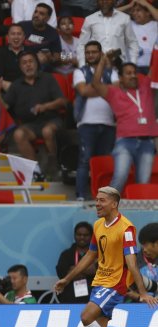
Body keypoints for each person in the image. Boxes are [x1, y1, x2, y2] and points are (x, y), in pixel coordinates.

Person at [55, 186, 158, 327]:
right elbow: (90, 255)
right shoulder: (98, 225)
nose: (97, 204)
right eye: (96, 200)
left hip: (116, 283)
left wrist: (142, 293)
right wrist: (67, 279)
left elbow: (131, 263)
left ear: (114, 203)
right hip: (100, 281)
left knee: (86, 316)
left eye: (102, 200)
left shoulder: (126, 229)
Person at [91, 52, 157, 193]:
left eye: (134, 73)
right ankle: (107, 205)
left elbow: (155, 66)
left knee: (143, 183)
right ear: (120, 78)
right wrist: (102, 61)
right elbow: (95, 84)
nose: (133, 76)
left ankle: (139, 208)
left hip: (147, 143)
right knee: (120, 177)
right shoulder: (114, 93)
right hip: (125, 143)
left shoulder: (146, 85)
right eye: (128, 73)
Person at [0, 51, 66, 180]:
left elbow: (62, 101)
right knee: (18, 134)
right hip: (30, 125)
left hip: (51, 120)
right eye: (24, 63)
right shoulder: (16, 85)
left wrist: (45, 106)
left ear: (36, 64)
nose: (28, 65)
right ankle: (36, 170)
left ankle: (53, 164)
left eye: (31, 61)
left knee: (47, 131)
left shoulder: (48, 78)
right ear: (20, 67)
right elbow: (4, 107)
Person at [73, 41, 117, 200]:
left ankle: (103, 198)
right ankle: (81, 196)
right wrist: (104, 89)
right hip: (86, 123)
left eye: (94, 52)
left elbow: (116, 90)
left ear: (101, 54)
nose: (90, 55)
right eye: (88, 52)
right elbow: (84, 91)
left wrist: (96, 88)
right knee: (84, 160)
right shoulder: (79, 72)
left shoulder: (112, 72)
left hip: (109, 123)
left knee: (105, 162)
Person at [77, 0, 139, 67]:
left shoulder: (124, 18)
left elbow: (132, 42)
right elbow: (81, 44)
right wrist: (82, 65)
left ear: (114, 1)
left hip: (118, 65)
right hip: (95, 66)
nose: (104, 1)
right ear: (97, 2)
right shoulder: (90, 19)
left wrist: (133, 64)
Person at [56, 222, 97, 303]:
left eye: (86, 235)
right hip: (70, 299)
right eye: (79, 234)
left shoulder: (97, 254)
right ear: (74, 235)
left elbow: (98, 271)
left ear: (91, 236)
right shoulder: (66, 254)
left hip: (93, 300)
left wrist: (73, 270)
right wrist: (88, 269)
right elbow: (62, 274)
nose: (82, 237)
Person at [19, 3, 62, 69]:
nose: (36, 15)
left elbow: (57, 56)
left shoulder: (53, 33)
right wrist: (34, 58)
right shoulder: (22, 26)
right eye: (35, 12)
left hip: (43, 66)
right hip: (21, 61)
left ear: (48, 18)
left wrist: (50, 58)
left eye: (41, 14)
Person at [0, 24, 26, 92]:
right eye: (13, 34)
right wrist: (2, 84)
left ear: (24, 37)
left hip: (26, 91)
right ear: (7, 37)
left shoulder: (30, 52)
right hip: (3, 91)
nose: (16, 37)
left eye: (19, 34)